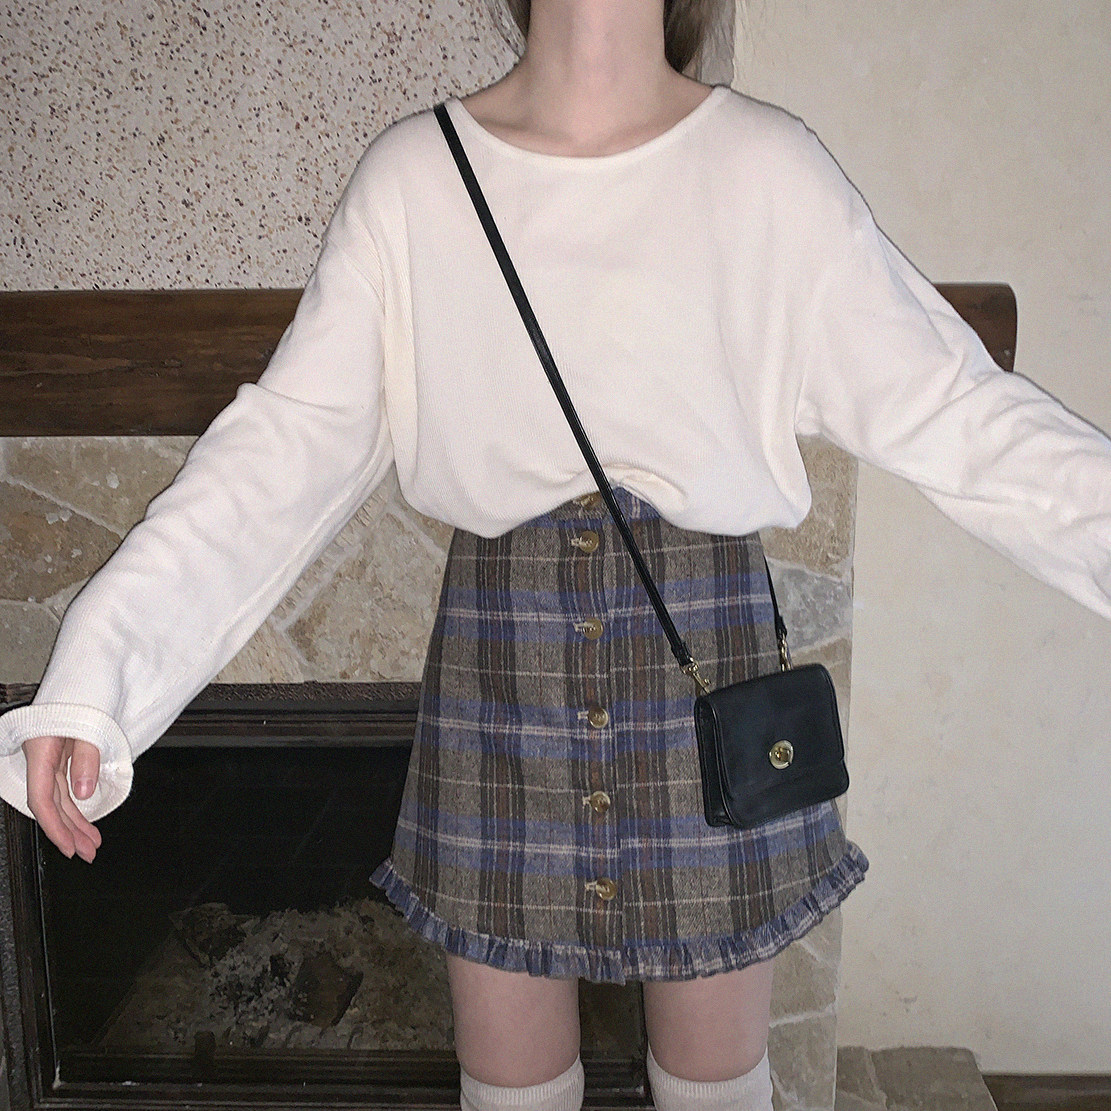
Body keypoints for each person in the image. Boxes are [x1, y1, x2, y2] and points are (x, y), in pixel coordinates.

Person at [2, 2, 1110, 1110]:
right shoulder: (415, 180)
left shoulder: (768, 170)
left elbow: (959, 412)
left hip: (705, 676)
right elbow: (280, 452)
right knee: (512, 1092)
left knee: (716, 1091)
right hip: (501, 671)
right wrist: (99, 675)